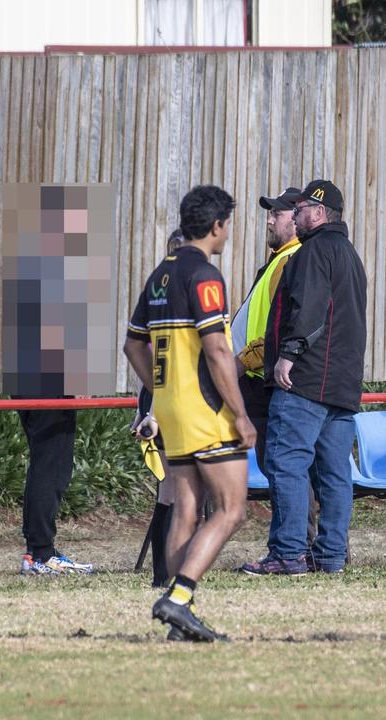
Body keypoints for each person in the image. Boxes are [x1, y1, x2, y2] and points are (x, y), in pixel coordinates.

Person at [124, 185, 257, 641]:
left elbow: (132, 344)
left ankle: (180, 619)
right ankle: (178, 598)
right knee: (232, 508)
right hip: (205, 409)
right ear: (218, 226)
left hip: (171, 409)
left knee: (185, 508)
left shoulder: (160, 274)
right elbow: (218, 349)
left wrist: (159, 392)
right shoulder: (204, 274)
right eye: (227, 226)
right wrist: (239, 414)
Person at [245, 179, 367, 576]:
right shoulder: (350, 255)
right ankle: (330, 555)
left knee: (286, 462)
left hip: (307, 380)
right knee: (333, 472)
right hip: (343, 385)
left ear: (318, 213)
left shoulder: (313, 252)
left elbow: (309, 311)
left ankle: (288, 552)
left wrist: (288, 357)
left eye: (299, 210)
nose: (294, 216)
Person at [231, 187, 302, 473]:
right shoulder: (279, 259)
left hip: (263, 380)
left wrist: (242, 361)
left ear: (296, 219)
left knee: (283, 471)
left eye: (276, 213)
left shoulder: (290, 260)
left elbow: (281, 328)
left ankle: (296, 521)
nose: (269, 220)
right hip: (257, 378)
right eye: (269, 214)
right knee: (278, 470)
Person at [132, 228, 188, 589]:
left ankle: (162, 575)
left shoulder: (157, 292)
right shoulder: (183, 298)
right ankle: (169, 574)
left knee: (172, 493)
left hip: (165, 403)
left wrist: (144, 408)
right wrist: (151, 410)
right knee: (179, 494)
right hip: (178, 405)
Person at [16, 407, 94, 575]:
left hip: (27, 385)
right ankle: (42, 555)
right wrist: (80, 382)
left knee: (43, 463)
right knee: (52, 468)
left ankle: (35, 552)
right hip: (51, 386)